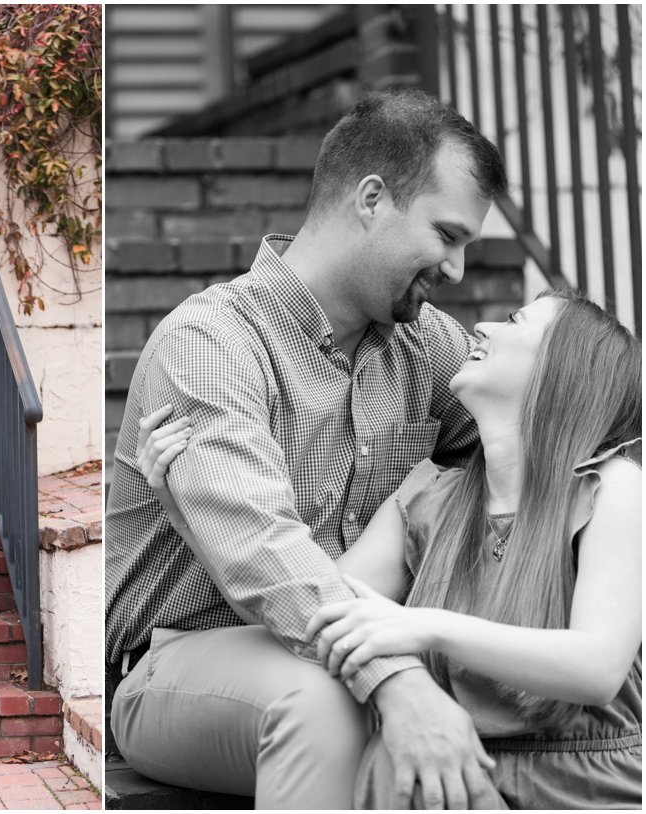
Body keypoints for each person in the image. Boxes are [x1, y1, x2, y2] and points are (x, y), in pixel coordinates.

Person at [105, 89, 508, 809]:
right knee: (323, 697)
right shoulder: (213, 341)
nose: (456, 270)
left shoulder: (430, 346)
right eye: (447, 235)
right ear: (373, 198)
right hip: (181, 661)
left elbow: (527, 451)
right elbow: (261, 545)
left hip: (349, 639)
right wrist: (398, 680)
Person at [139, 289, 642, 809]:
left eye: (516, 321)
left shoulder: (609, 486)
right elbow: (320, 615)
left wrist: (425, 626)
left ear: (564, 372)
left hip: (590, 783)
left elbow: (598, 668)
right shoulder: (425, 497)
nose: (485, 327)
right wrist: (184, 513)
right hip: (454, 771)